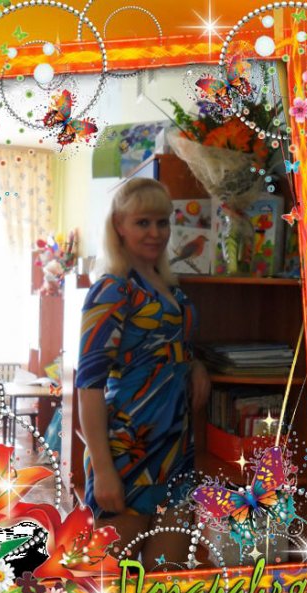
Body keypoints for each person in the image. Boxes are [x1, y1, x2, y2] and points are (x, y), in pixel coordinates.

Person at [76, 177, 210, 568]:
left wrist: (195, 364)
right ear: (119, 225)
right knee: (107, 582)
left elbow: (163, 346)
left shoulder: (169, 286)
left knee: (165, 581)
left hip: (175, 449)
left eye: (162, 222)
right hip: (127, 451)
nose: (156, 232)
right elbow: (89, 385)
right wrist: (103, 470)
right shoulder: (112, 289)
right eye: (143, 223)